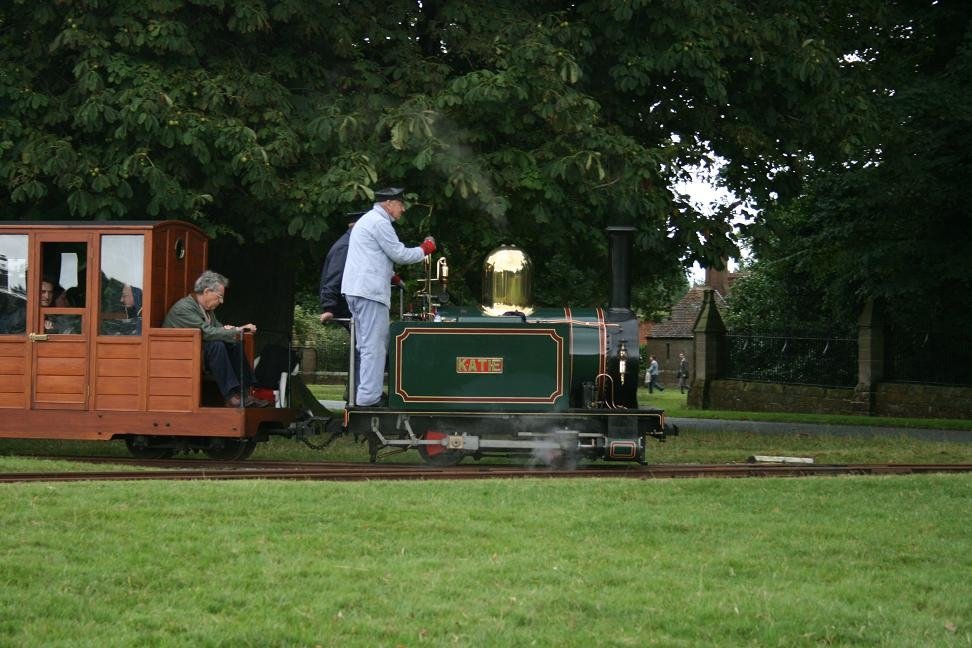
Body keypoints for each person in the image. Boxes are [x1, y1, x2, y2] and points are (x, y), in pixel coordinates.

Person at [341, 186, 435, 407]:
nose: (402, 209)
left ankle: (365, 395)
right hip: (369, 293)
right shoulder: (380, 222)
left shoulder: (368, 220)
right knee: (374, 346)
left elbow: (371, 257)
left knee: (365, 346)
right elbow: (399, 254)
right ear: (389, 204)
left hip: (357, 290)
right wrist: (426, 248)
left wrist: (390, 275)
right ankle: (368, 398)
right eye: (400, 204)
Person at [162, 270, 270, 408]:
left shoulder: (207, 310)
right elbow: (208, 332)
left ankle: (245, 393)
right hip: (178, 357)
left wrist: (234, 331)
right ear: (206, 291)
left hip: (197, 354)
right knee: (216, 345)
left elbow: (219, 330)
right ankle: (230, 396)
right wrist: (235, 330)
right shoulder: (183, 308)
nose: (221, 301)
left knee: (234, 345)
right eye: (219, 296)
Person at [319, 211, 365, 328]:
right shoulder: (346, 246)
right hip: (347, 305)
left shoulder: (350, 244)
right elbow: (335, 275)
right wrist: (329, 307)